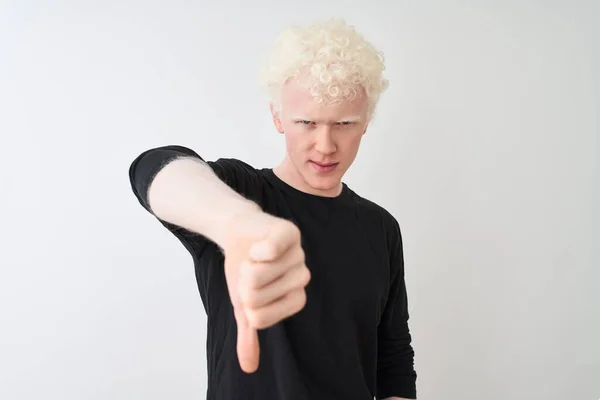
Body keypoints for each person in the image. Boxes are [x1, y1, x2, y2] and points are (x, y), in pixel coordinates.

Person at [129, 18, 417, 400]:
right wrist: (235, 222)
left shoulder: (381, 227)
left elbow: (392, 358)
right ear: (278, 117)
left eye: (344, 123)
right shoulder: (240, 192)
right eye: (307, 122)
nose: (325, 145)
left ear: (366, 123)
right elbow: (154, 169)